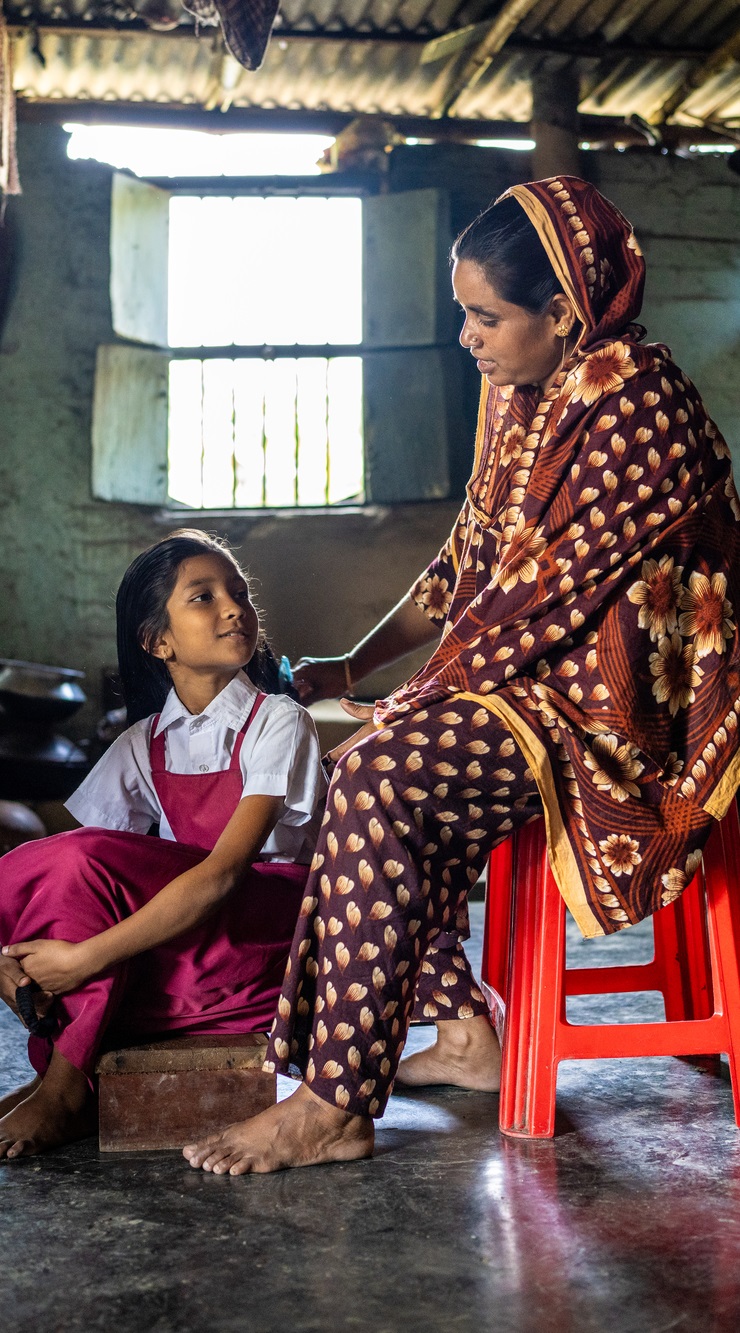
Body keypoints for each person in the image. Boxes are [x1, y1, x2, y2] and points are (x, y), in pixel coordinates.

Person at [180, 175, 740, 1177]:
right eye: (460, 314)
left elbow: (534, 602)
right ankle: (462, 1033)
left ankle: (334, 1103)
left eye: (486, 317)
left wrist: (404, 701)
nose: (467, 339)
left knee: (379, 771)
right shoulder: (518, 397)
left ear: (563, 311)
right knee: (381, 753)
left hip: (619, 712)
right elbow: (465, 568)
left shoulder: (637, 415)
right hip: (528, 674)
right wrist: (362, 662)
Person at [0, 530, 326, 1158]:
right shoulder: (142, 742)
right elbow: (56, 878)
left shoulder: (280, 721)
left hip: (264, 927)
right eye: (203, 597)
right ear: (157, 641)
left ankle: (65, 1086)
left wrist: (86, 959)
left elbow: (226, 875)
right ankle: (59, 1078)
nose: (233, 607)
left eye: (237, 593)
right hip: (189, 931)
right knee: (36, 873)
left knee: (83, 862)